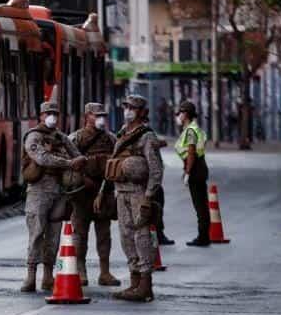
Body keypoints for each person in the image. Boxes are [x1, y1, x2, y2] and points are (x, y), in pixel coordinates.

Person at [102, 94, 163, 303]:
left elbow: (156, 169)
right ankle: (134, 282)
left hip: (138, 192)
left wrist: (148, 197)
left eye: (133, 108)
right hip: (121, 191)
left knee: (141, 235)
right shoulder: (122, 133)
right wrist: (104, 192)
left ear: (142, 112)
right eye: (126, 106)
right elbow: (114, 162)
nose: (128, 110)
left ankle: (145, 285)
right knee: (126, 236)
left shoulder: (146, 136)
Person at [21, 100, 86, 292]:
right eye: (48, 113)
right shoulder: (33, 136)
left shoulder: (62, 137)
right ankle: (30, 276)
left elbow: (78, 156)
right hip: (39, 191)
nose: (52, 117)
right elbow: (41, 158)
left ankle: (48, 276)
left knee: (54, 235)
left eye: (55, 113)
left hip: (59, 191)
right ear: (40, 116)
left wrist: (79, 162)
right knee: (36, 233)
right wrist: (68, 163)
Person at [68, 102, 120, 287]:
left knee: (104, 234)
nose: (100, 119)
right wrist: (82, 179)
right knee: (80, 235)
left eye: (102, 116)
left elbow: (117, 162)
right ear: (86, 116)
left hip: (104, 192)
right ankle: (80, 271)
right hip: (83, 194)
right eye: (96, 115)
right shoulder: (76, 138)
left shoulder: (111, 139)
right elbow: (68, 166)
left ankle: (105, 273)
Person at [175, 100, 211, 247]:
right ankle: (204, 236)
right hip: (200, 167)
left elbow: (191, 152)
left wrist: (187, 172)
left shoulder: (190, 130)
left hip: (195, 169)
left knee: (200, 205)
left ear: (186, 114)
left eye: (180, 113)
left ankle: (202, 237)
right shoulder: (195, 128)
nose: (178, 116)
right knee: (202, 204)